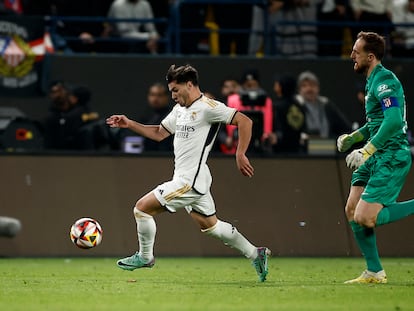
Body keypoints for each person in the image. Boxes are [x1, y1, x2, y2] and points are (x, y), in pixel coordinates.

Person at [106, 64, 271, 282]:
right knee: (211, 227)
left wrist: (240, 154)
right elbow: (158, 133)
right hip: (193, 177)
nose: (172, 95)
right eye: (171, 91)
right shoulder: (179, 110)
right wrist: (130, 124)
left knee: (141, 209)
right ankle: (255, 253)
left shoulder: (208, 107)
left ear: (190, 84)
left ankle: (145, 257)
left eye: (176, 90)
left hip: (189, 181)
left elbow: (245, 121)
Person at [337, 31, 414, 284]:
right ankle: (374, 271)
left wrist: (366, 150)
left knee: (364, 217)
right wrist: (353, 138)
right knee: (351, 209)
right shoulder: (372, 82)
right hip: (374, 154)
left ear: (371, 56)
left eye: (356, 52)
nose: (352, 56)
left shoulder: (384, 82)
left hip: (390, 155)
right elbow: (375, 124)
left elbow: (392, 121)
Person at [226, 69, 276, 154]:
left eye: (254, 85)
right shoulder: (232, 100)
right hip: (237, 148)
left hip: (261, 148)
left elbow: (270, 125)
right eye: (248, 86)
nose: (251, 89)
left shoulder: (266, 101)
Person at [295, 70, 352, 140]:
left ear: (318, 88)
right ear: (299, 90)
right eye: (304, 86)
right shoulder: (295, 106)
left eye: (312, 85)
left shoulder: (326, 105)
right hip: (304, 148)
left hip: (326, 146)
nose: (309, 89)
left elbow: (346, 128)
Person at [272, 74, 306, 153]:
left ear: (280, 87)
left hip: (280, 151)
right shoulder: (300, 106)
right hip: (297, 149)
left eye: (277, 83)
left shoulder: (277, 106)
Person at [143, 82, 173, 152]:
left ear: (166, 97)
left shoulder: (172, 116)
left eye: (159, 95)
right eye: (152, 95)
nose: (155, 99)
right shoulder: (145, 117)